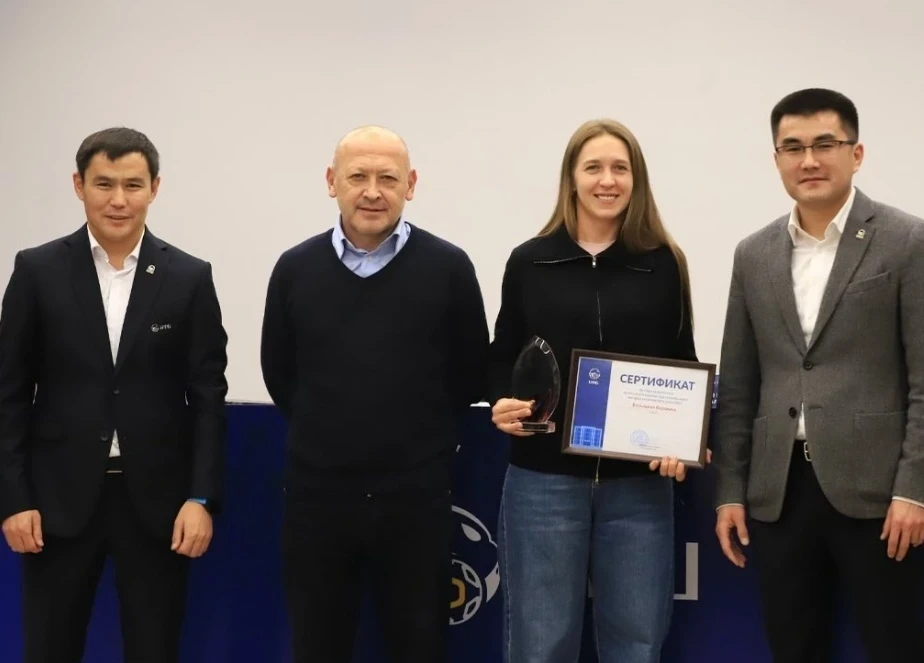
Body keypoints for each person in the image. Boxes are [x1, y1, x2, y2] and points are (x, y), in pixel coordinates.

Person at [260, 125, 489, 663]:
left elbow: (470, 374)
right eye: (357, 176)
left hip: (416, 503)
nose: (372, 191)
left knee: (418, 646)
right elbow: (280, 374)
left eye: (387, 178)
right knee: (317, 647)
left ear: (411, 184)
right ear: (331, 182)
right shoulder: (294, 270)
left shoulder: (449, 269)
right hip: (319, 502)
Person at [0, 127, 229, 663]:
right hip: (55, 504)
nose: (118, 200)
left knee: (155, 649)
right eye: (104, 184)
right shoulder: (37, 270)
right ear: (79, 185)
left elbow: (208, 399)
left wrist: (201, 498)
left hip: (157, 505)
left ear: (155, 188)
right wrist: (14, 499)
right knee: (48, 648)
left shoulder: (189, 277)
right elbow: (9, 393)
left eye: (132, 184)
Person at [713, 87, 924, 662]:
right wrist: (729, 492)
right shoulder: (753, 254)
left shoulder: (906, 241)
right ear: (777, 159)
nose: (809, 160)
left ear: (856, 154)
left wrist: (914, 489)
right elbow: (740, 385)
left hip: (879, 496)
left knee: (893, 647)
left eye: (824, 144)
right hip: (779, 494)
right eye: (793, 147)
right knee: (794, 648)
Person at [487, 119, 699, 663]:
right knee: (539, 646)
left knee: (637, 646)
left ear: (636, 179)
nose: (608, 180)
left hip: (639, 489)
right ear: (572, 178)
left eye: (620, 168)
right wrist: (500, 401)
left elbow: (681, 362)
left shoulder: (664, 264)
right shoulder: (530, 261)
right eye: (594, 168)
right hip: (543, 482)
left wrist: (682, 442)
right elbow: (502, 356)